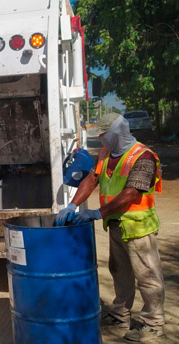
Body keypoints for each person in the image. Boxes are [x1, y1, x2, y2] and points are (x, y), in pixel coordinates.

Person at [55, 113, 165, 342]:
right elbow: (92, 179)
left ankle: (154, 325)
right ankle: (120, 315)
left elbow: (131, 193)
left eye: (104, 135)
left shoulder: (142, 156)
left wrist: (97, 213)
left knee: (147, 277)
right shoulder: (106, 153)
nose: (101, 140)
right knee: (120, 272)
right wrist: (73, 205)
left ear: (116, 132)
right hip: (116, 225)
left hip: (138, 227)